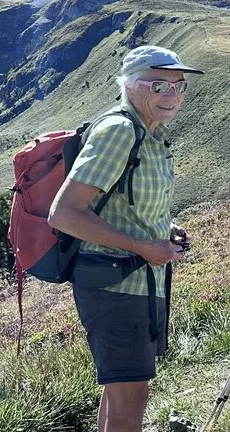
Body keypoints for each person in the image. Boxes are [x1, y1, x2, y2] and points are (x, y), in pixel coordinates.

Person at [48, 45, 202, 432]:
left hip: (137, 285)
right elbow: (64, 213)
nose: (172, 96)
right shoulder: (119, 131)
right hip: (113, 287)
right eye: (158, 86)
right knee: (129, 404)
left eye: (179, 86)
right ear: (131, 87)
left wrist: (163, 231)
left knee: (121, 393)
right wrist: (145, 247)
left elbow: (123, 205)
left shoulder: (152, 136)